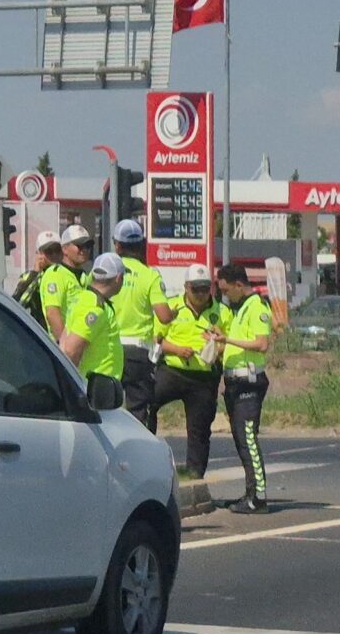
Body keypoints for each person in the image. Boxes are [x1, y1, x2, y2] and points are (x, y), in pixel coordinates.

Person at [152, 265, 229, 477]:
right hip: (173, 371)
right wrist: (176, 349)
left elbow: (230, 343)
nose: (201, 294)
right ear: (186, 287)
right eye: (196, 289)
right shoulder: (172, 307)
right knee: (148, 403)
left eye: (205, 289)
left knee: (200, 428)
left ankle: (195, 472)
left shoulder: (221, 312)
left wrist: (217, 345)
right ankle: (148, 458)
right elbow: (156, 338)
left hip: (203, 377)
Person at [216, 263, 275, 513]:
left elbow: (261, 344)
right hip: (234, 382)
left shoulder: (257, 307)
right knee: (241, 439)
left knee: (248, 438)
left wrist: (227, 339)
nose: (226, 296)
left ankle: (258, 497)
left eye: (228, 290)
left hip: (249, 382)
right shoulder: (239, 309)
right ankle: (250, 492)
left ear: (239, 285)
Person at [106, 219, 170, 430]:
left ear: (117, 245)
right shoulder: (150, 275)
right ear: (142, 244)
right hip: (138, 352)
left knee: (105, 406)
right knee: (139, 410)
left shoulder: (107, 273)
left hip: (109, 348)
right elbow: (163, 316)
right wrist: (174, 313)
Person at [60, 254, 128, 410]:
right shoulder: (95, 309)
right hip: (96, 395)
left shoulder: (83, 298)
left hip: (96, 391)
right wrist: (74, 390)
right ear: (118, 278)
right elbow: (70, 350)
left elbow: (64, 337)